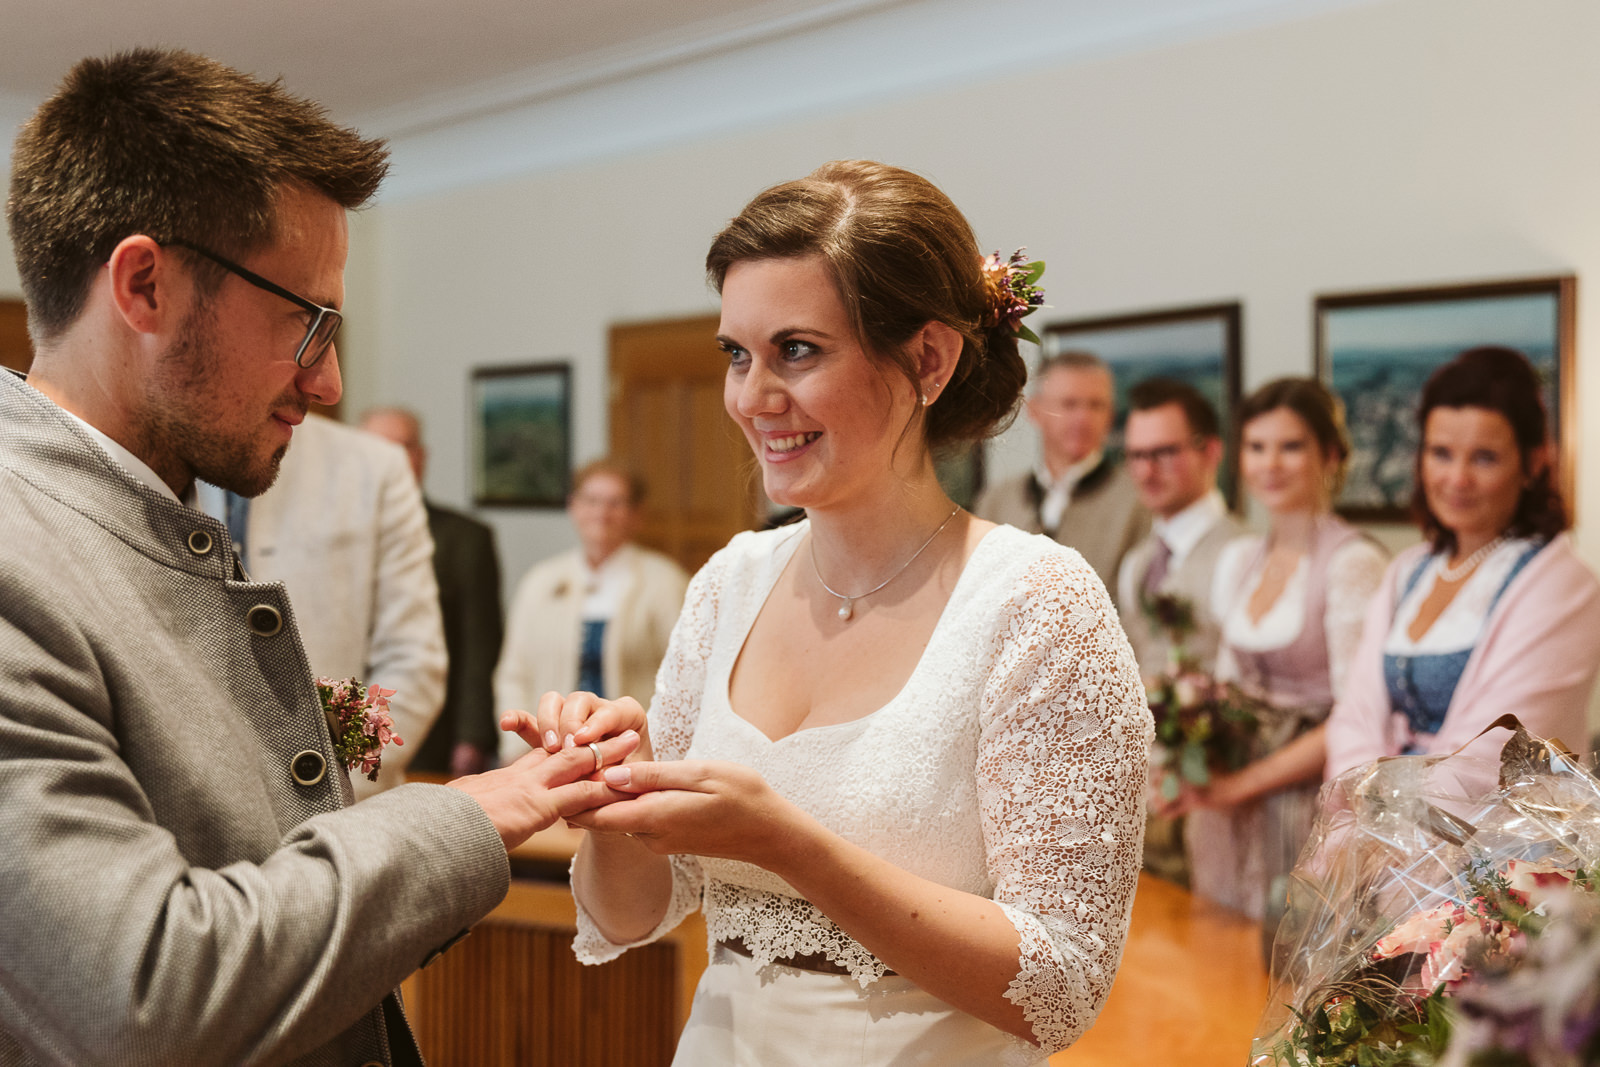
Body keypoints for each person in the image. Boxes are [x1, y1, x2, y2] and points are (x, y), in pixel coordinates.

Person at [0, 49, 637, 1067]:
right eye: (306, 319)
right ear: (146, 284)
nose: (331, 379)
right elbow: (142, 995)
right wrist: (463, 815)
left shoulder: (161, 514)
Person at [505, 161, 1151, 1065]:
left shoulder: (1036, 604)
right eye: (737, 354)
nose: (753, 397)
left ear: (928, 359)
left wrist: (790, 844)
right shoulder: (729, 582)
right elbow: (630, 915)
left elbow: (1061, 987)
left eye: (797, 350)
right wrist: (618, 788)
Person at [1155, 378, 1388, 930]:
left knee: (1286, 953)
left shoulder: (1352, 564)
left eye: (1291, 447)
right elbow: (1225, 690)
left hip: (1304, 801)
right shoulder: (1240, 559)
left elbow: (1355, 716)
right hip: (1228, 806)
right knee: (1216, 955)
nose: (1271, 464)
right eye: (1257, 448)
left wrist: (1241, 786)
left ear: (1329, 455)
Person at [1325, 346, 1600, 779]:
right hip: (1376, 828)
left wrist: (1403, 830)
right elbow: (1354, 717)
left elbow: (1497, 753)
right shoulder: (1407, 571)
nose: (1457, 479)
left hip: (1497, 840)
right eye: (1441, 453)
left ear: (1532, 463)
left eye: (1484, 457)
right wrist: (1363, 816)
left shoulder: (1564, 584)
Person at [197, 410, 448, 798]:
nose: (328, 384)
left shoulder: (374, 467)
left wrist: (324, 783)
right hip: (189, 812)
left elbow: (413, 663)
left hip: (349, 812)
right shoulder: (138, 458)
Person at [495, 459, 688, 766]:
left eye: (616, 503)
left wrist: (662, 751)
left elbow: (686, 676)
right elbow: (514, 672)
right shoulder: (540, 582)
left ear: (636, 514)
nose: (602, 513)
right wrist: (515, 745)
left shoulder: (666, 583)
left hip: (633, 756)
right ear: (573, 507)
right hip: (547, 753)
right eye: (591, 501)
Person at [362, 405, 505, 778]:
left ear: (421, 457)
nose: (390, 459)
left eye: (402, 447)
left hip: (435, 730)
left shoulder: (466, 539)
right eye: (377, 448)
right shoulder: (332, 538)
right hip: (347, 722)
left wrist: (472, 737)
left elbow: (480, 645)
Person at [975, 351, 1149, 590]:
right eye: (1069, 404)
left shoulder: (1138, 502)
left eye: (1095, 405)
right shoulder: (996, 501)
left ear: (1110, 416)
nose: (1083, 418)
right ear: (1035, 411)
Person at [1116, 378, 1244, 678]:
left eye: (1164, 453)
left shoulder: (1243, 552)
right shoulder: (1136, 562)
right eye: (1137, 455)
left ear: (1211, 451)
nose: (1147, 472)